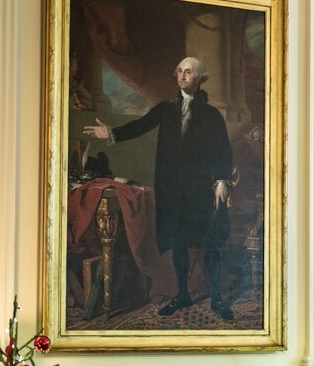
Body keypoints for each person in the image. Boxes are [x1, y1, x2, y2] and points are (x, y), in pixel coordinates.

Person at [83, 57, 235, 320]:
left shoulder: (212, 115)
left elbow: (223, 149)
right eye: (179, 71)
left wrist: (222, 181)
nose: (182, 75)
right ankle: (182, 294)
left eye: (188, 72)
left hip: (201, 190)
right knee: (178, 244)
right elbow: (140, 126)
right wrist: (111, 133)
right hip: (173, 191)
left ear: (200, 78)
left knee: (209, 245)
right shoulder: (166, 109)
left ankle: (218, 300)